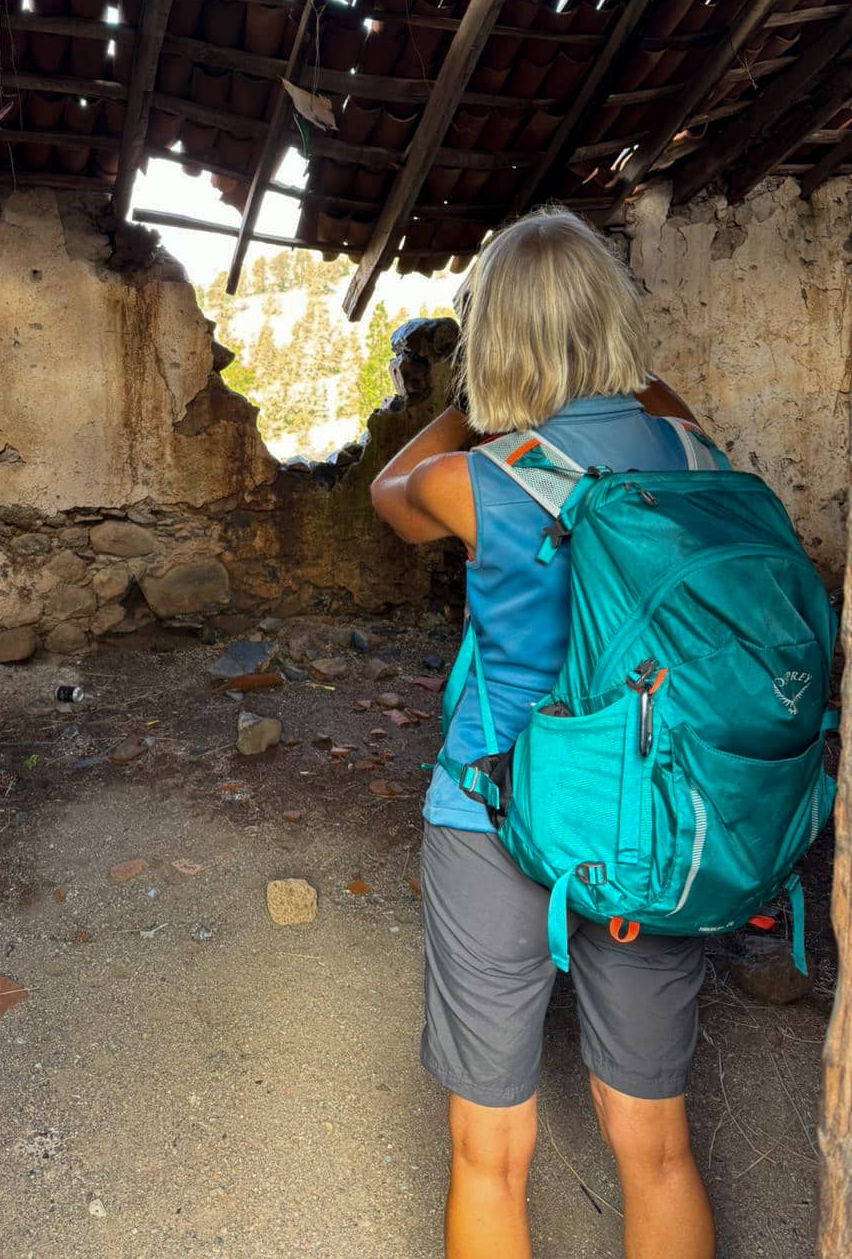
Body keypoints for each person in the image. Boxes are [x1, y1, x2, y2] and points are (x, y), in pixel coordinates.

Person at [370, 208, 716, 1259]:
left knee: (490, 1151)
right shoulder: (698, 460)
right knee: (656, 1147)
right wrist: (626, 374)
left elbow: (389, 494)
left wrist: (476, 405)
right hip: (654, 817)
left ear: (496, 340)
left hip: (494, 812)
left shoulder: (484, 479)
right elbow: (660, 405)